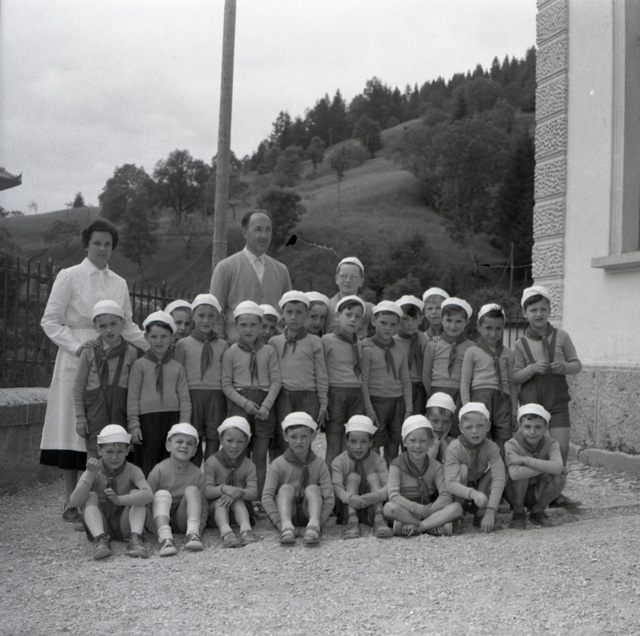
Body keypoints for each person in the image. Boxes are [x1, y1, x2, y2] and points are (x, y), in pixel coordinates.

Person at [40, 218, 146, 521]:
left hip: (113, 359)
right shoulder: (69, 276)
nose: (102, 248)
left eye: (107, 244)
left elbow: (127, 324)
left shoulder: (119, 282)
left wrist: (153, 345)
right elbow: (50, 320)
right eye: (96, 243)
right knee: (75, 429)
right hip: (78, 355)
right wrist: (78, 348)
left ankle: (100, 500)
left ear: (113, 248)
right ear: (86, 244)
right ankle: (70, 502)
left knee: (104, 428)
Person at [512, 285, 582, 509]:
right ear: (525, 313)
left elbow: (577, 364)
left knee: (561, 448)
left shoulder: (562, 336)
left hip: (558, 400)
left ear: (550, 310)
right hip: (531, 402)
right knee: (533, 447)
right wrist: (531, 369)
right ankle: (532, 492)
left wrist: (564, 366)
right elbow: (514, 376)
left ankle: (555, 492)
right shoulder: (520, 344)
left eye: (543, 309)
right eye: (533, 310)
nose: (539, 314)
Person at [221, 301, 281, 502]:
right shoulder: (230, 352)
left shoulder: (269, 351)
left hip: (264, 406)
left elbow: (276, 381)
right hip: (240, 406)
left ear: (261, 326)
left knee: (260, 457)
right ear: (236, 326)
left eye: (253, 325)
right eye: (243, 325)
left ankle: (258, 499)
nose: (248, 329)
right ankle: (239, 497)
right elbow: (226, 385)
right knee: (238, 455)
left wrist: (266, 405)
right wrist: (244, 403)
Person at [69, 425, 153, 560]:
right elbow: (74, 502)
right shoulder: (94, 469)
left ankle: (135, 538)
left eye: (120, 451)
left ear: (128, 450)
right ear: (99, 450)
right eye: (109, 451)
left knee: (136, 494)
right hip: (102, 523)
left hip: (125, 523)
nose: (114, 457)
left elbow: (148, 495)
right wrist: (90, 475)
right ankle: (100, 539)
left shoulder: (133, 470)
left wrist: (120, 500)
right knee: (90, 496)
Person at [210, 210, 291, 343]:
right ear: (245, 232)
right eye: (258, 230)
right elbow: (215, 312)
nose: (264, 235)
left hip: (273, 348)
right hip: (235, 347)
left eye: (268, 230)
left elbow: (288, 311)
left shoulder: (281, 270)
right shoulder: (225, 267)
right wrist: (220, 345)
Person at [128, 311, 191, 476]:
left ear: (172, 338)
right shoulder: (139, 365)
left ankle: (167, 490)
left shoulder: (177, 367)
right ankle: (145, 490)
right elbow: (132, 398)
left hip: (172, 418)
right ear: (146, 337)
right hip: (147, 421)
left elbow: (184, 399)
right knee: (147, 460)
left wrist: (183, 425)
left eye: (163, 336)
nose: (158, 341)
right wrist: (134, 425)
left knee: (169, 459)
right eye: (154, 336)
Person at [72, 300, 138, 459]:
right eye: (102, 326)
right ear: (95, 328)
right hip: (95, 408)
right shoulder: (89, 351)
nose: (109, 330)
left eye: (113, 324)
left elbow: (133, 389)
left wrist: (132, 420)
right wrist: (80, 418)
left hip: (120, 408)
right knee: (95, 452)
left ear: (122, 323)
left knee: (119, 451)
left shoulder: (131, 352)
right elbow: (78, 387)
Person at [261, 412, 334, 546]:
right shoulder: (278, 464)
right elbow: (266, 497)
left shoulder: (319, 464)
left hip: (309, 512)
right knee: (286, 488)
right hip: (287, 513)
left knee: (313, 489)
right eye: (293, 437)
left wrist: (320, 523)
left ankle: (313, 526)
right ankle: (287, 527)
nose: (299, 441)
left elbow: (329, 498)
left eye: (304, 436)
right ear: (285, 437)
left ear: (313, 436)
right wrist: (279, 523)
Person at [383, 415, 462, 537]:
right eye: (412, 440)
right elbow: (393, 496)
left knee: (457, 508)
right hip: (407, 510)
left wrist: (430, 510)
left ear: (431, 442)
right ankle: (431, 527)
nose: (417, 446)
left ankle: (417, 527)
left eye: (423, 441)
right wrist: (418, 509)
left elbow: (446, 495)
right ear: (404, 442)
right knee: (389, 508)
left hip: (430, 510)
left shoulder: (436, 466)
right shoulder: (396, 465)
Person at [270, 291, 328, 446]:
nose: (294, 317)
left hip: (308, 397)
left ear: (307, 314)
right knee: (284, 438)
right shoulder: (274, 342)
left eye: (299, 312)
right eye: (289, 312)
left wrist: (323, 403)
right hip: (283, 396)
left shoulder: (314, 342)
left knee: (304, 438)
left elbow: (321, 375)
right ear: (282, 314)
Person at [174, 294, 228, 461]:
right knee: (192, 435)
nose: (206, 320)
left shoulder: (223, 345)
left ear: (218, 318)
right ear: (193, 316)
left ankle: (210, 470)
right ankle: (193, 472)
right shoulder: (183, 344)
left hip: (216, 396)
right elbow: (179, 375)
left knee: (213, 436)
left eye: (211, 316)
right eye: (201, 315)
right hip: (192, 395)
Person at [460, 303, 517, 455]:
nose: (493, 333)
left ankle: (500, 469)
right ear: (479, 327)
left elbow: (513, 384)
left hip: (503, 400)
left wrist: (514, 412)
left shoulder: (508, 353)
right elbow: (465, 383)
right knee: (479, 438)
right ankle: (480, 469)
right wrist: (467, 409)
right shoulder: (471, 352)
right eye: (488, 328)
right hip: (480, 399)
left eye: (498, 328)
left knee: (503, 441)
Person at [361, 301, 412, 464]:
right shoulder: (367, 348)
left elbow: (405, 380)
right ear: (373, 321)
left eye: (393, 324)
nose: (388, 328)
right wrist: (369, 409)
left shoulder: (400, 350)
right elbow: (363, 382)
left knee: (393, 447)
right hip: (376, 402)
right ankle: (376, 476)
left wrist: (408, 408)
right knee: (374, 446)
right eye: (383, 323)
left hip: (397, 403)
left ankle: (391, 477)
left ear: (398, 326)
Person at [444, 403, 506, 533]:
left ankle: (481, 513)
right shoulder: (454, 447)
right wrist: (473, 493)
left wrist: (491, 510)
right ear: (461, 428)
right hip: (460, 491)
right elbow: (450, 483)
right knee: (463, 469)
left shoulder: (491, 447)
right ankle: (457, 514)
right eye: (469, 427)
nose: (474, 431)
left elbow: (499, 477)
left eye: (480, 426)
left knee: (498, 471)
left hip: (478, 486)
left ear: (488, 426)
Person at [321, 295, 366, 471]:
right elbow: (321, 372)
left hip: (356, 395)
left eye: (358, 316)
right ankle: (329, 483)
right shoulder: (327, 341)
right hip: (335, 395)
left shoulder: (360, 344)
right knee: (334, 445)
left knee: (352, 445)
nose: (353, 319)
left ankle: (347, 481)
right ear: (337, 316)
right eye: (348, 315)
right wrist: (323, 401)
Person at [148, 423, 206, 557]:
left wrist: (200, 528)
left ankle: (193, 533)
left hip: (183, 519)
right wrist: (155, 530)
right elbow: (146, 504)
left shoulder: (197, 474)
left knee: (193, 490)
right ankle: (165, 538)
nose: (184, 446)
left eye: (190, 444)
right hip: (161, 518)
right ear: (168, 445)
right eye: (179, 442)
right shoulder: (159, 470)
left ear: (195, 451)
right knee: (162, 493)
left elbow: (204, 506)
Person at [504, 404, 566, 529]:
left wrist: (525, 460)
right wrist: (546, 468)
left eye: (538, 427)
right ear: (520, 427)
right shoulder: (511, 444)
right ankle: (518, 511)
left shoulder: (551, 444)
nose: (532, 432)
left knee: (560, 477)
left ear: (546, 428)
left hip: (538, 490)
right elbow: (515, 474)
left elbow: (558, 468)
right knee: (521, 474)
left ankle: (538, 510)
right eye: (527, 427)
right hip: (514, 492)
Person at [331, 415, 392, 540]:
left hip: (372, 507)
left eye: (363, 442)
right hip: (348, 508)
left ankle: (379, 519)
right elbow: (337, 487)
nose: (358, 447)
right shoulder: (339, 461)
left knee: (374, 477)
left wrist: (377, 495)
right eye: (353, 441)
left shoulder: (378, 460)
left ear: (371, 443)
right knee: (352, 477)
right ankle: (352, 522)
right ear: (347, 441)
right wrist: (350, 498)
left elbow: (389, 486)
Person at [422, 297, 474, 437]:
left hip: (459, 393)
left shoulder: (471, 348)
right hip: (436, 390)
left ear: (466, 322)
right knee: (436, 429)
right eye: (449, 320)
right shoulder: (433, 345)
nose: (453, 325)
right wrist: (432, 395)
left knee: (455, 429)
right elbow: (426, 374)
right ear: (442, 319)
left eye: (458, 321)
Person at [204, 416, 260, 548]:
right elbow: (207, 491)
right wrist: (224, 489)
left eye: (240, 441)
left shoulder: (249, 465)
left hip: (240, 510)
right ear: (221, 439)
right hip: (216, 512)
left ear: (247, 442)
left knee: (238, 500)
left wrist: (236, 492)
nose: (234, 446)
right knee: (221, 501)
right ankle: (226, 532)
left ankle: (246, 530)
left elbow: (253, 493)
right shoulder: (212, 462)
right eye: (229, 440)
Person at [394, 295, 429, 415]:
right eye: (405, 319)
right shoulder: (393, 342)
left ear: (421, 319)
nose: (410, 324)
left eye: (414, 319)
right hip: (401, 387)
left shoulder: (422, 339)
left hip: (420, 388)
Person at [324, 257, 374, 338]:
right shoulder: (327, 307)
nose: (348, 280)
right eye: (343, 276)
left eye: (353, 277)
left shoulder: (369, 309)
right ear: (336, 279)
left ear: (361, 281)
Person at [425, 392, 457, 463]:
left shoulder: (454, 443)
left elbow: (450, 465)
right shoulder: (420, 441)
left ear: (450, 424)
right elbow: (426, 466)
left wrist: (443, 443)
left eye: (445, 422)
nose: (440, 426)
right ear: (426, 419)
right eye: (435, 421)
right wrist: (435, 444)